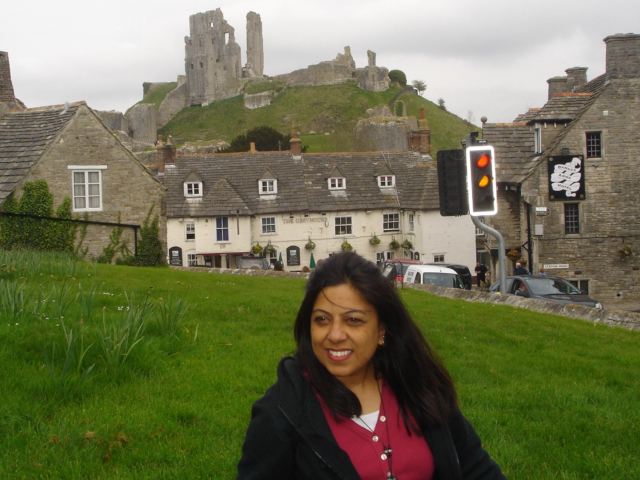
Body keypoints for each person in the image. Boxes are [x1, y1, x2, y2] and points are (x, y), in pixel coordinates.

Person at [238, 252, 506, 479]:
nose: (335, 335)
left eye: (353, 320)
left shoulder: (418, 386)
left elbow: (476, 468)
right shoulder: (281, 410)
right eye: (322, 320)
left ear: (381, 330)